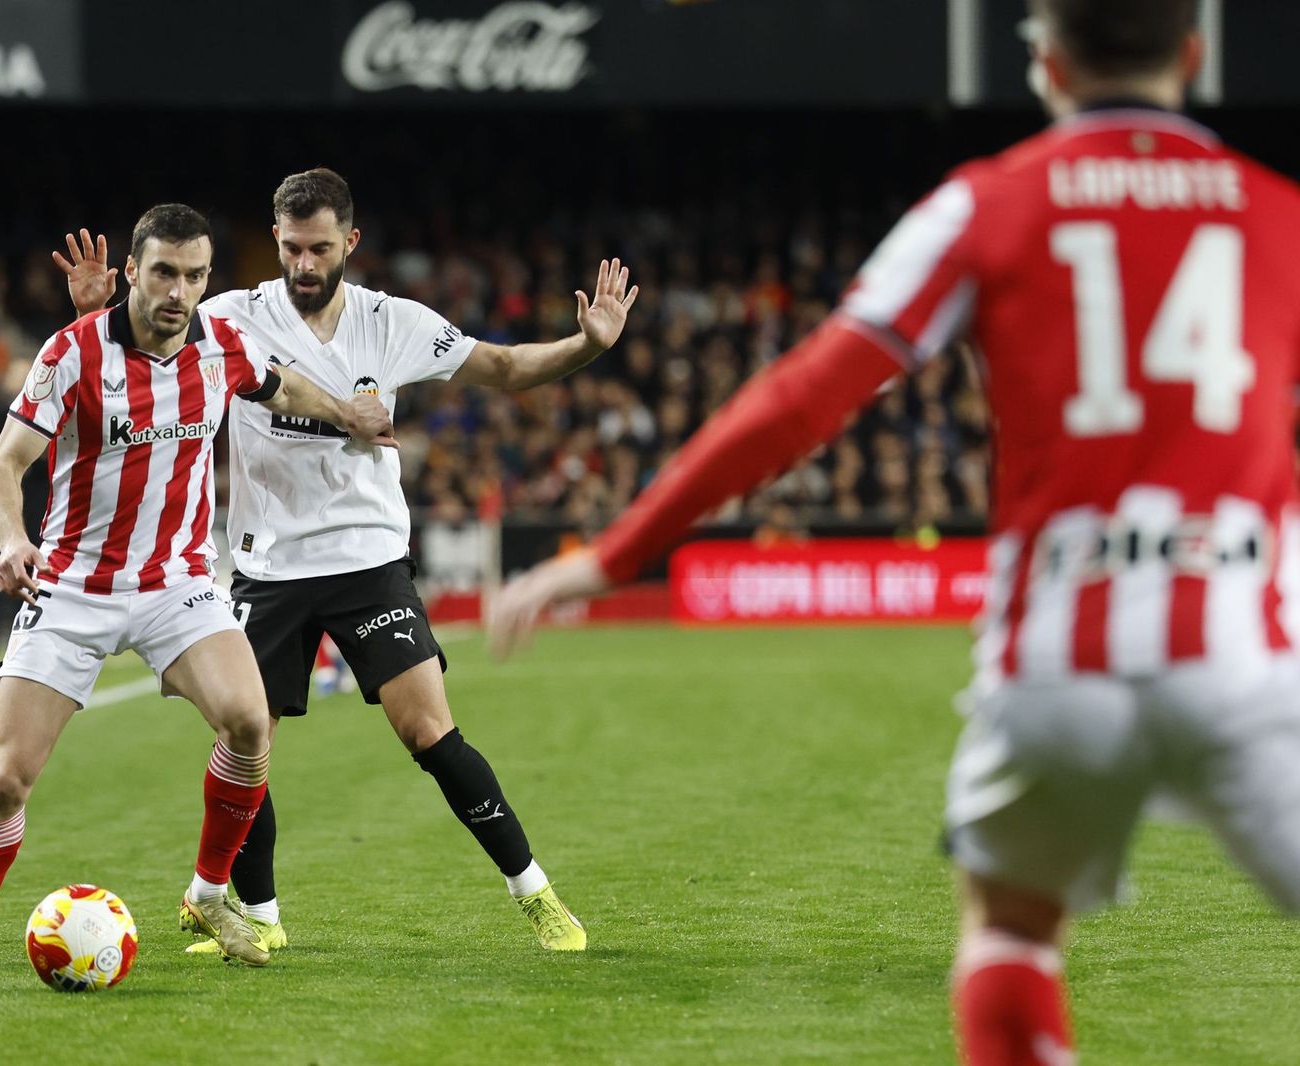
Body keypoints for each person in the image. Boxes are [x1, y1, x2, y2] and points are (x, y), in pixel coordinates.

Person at [488, 2, 1300, 1061]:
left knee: (1010, 932)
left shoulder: (984, 205)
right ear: (1193, 54)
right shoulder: (1276, 210)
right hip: (1245, 652)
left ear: (1047, 63)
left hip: (1060, 663)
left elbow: (802, 398)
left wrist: (613, 552)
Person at [56, 168, 637, 952]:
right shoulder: (227, 317)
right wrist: (93, 314)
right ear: (276, 239)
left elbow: (504, 368)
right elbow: (138, 348)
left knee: (429, 731)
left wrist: (587, 344)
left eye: (320, 249)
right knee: (245, 740)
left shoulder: (391, 322)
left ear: (350, 242)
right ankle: (261, 919)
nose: (304, 264)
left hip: (368, 559)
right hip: (268, 567)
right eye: (292, 247)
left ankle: (535, 894)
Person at [0, 204, 394, 971]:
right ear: (132, 271)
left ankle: (208, 895)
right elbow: (3, 465)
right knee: (7, 782)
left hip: (177, 583)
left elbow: (279, 386)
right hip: (73, 586)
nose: (178, 291)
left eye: (194, 276)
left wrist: (343, 413)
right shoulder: (71, 352)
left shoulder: (221, 344)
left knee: (249, 723)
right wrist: (13, 539)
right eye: (164, 272)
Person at [0, 355, 50, 678]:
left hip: (40, 511)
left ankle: (27, 657)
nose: (22, 381)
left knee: (37, 586)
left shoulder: (51, 409)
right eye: (16, 375)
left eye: (27, 374)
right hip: (6, 516)